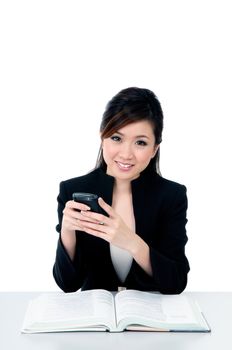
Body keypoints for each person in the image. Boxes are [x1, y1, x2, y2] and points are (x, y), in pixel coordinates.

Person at [53, 87, 190, 294]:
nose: (126, 154)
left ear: (154, 149)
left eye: (140, 143)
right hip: (96, 319)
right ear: (102, 138)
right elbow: (68, 284)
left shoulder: (171, 196)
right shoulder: (73, 190)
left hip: (149, 318)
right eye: (116, 138)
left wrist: (132, 243)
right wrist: (67, 232)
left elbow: (176, 283)